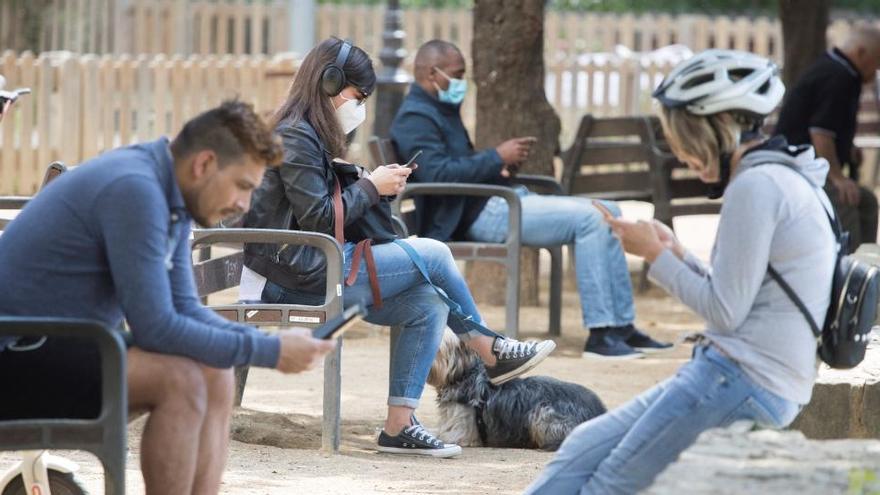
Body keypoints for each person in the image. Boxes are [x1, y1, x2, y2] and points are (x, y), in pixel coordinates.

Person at [524, 49, 837, 494]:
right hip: (739, 373)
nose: (681, 151)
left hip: (742, 380)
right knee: (582, 449)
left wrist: (655, 256)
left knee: (611, 485)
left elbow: (724, 310)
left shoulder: (755, 186)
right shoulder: (781, 174)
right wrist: (677, 252)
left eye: (684, 136)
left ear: (716, 128)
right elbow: (746, 289)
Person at [0, 100, 338, 494]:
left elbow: (185, 308)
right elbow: (157, 327)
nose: (244, 205)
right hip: (16, 353)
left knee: (215, 371)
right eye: (244, 186)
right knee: (178, 381)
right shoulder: (135, 189)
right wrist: (270, 352)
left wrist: (264, 344)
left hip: (62, 346)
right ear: (204, 164)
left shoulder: (166, 188)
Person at [240, 37, 556, 458]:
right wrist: (371, 187)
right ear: (329, 83)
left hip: (317, 266)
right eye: (358, 95)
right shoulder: (294, 136)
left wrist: (371, 184)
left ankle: (398, 426)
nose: (360, 106)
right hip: (294, 277)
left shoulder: (309, 134)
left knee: (428, 301)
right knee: (435, 254)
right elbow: (318, 218)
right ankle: (490, 350)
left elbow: (323, 211)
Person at [390, 39, 671, 360]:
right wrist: (496, 157)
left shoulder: (439, 109)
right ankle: (602, 335)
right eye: (457, 73)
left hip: (494, 200)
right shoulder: (415, 117)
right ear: (430, 73)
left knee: (609, 210)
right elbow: (437, 174)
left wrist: (499, 168)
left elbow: (455, 166)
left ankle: (621, 326)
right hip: (479, 214)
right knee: (593, 218)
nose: (462, 82)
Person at [774, 25, 880, 250]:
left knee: (867, 201)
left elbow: (829, 123)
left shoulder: (840, 71)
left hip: (807, 169)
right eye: (877, 60)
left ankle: (868, 268)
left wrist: (848, 147)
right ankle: (850, 273)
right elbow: (820, 132)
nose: (877, 69)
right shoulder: (837, 76)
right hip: (798, 170)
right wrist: (837, 177)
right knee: (846, 200)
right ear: (861, 52)